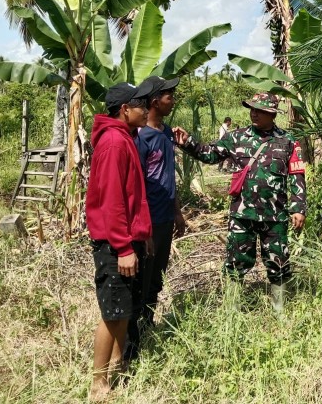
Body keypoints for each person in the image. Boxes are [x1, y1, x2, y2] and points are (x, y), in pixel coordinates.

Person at [173, 93, 306, 312]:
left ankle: (279, 311)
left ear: (272, 113)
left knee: (278, 262)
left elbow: (297, 175)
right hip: (242, 215)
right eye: (251, 109)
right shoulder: (236, 138)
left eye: (259, 110)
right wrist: (188, 142)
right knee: (236, 262)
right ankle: (232, 311)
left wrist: (298, 207)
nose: (254, 113)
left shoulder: (288, 141)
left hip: (275, 216)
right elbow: (210, 154)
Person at [86, 81, 153, 402]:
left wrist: (142, 236)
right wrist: (125, 248)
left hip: (128, 240)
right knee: (113, 312)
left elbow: (132, 197)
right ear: (125, 109)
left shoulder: (124, 137)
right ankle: (98, 384)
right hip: (115, 245)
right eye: (141, 106)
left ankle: (117, 366)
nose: (146, 111)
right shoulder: (114, 142)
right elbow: (113, 201)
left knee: (124, 310)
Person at [125, 76, 186, 362]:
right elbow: (135, 187)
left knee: (156, 279)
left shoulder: (166, 134)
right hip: (147, 224)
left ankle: (147, 326)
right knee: (141, 280)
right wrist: (143, 227)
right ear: (154, 102)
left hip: (165, 219)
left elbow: (168, 177)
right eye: (169, 96)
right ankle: (132, 344)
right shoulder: (140, 139)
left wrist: (177, 212)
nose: (172, 101)